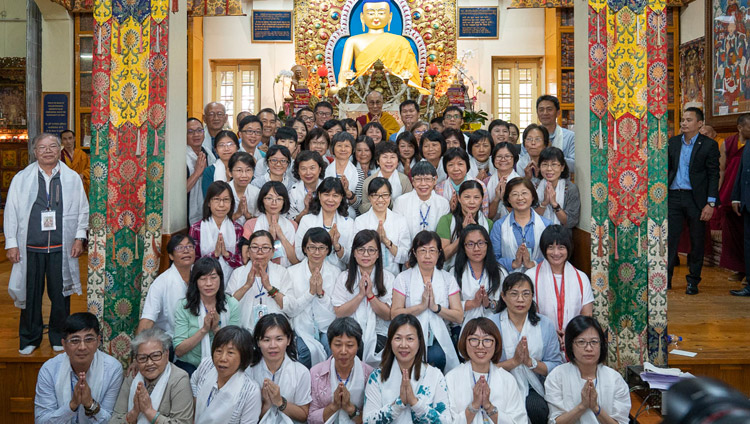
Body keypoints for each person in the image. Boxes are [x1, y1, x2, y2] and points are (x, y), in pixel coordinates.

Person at [5, 132, 89, 354]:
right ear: (35, 151)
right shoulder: (21, 179)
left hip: (61, 248)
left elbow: (83, 210)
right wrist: (11, 243)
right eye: (42, 147)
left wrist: (80, 238)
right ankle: (30, 337)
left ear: (59, 148)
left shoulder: (71, 178)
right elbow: (11, 213)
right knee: (30, 294)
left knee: (60, 295)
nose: (48, 151)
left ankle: (59, 336)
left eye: (53, 146)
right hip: (30, 248)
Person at [490, 273, 563, 424]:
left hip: (534, 385)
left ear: (532, 296)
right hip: (499, 384)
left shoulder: (545, 324)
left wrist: (531, 363)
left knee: (536, 408)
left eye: (526, 294)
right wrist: (514, 362)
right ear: (503, 296)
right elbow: (482, 366)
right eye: (514, 294)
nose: (520, 299)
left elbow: (556, 365)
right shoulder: (491, 325)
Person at [391, 231, 463, 372]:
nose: (427, 256)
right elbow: (394, 314)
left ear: (439, 253)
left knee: (436, 356)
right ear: (414, 252)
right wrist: (421, 307)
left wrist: (436, 308)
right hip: (410, 334)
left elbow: (459, 316)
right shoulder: (403, 278)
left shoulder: (448, 279)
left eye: (432, 251)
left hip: (439, 336)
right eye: (422, 251)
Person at [667, 107, 720, 295]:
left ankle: (693, 281)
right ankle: (666, 279)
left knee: (697, 241)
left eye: (689, 120)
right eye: (683, 119)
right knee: (670, 239)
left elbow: (714, 175)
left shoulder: (708, 145)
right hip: (673, 196)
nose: (683, 123)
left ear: (699, 124)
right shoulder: (672, 143)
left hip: (696, 199)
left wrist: (711, 203)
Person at [34, 312, 123, 423]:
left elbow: (112, 421)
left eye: (89, 339)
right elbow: (41, 421)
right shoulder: (49, 370)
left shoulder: (112, 369)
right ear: (64, 345)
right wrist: (72, 405)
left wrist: (90, 405)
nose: (82, 347)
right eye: (75, 341)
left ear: (98, 342)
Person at [362, 314, 451, 423]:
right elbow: (367, 421)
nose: (403, 345)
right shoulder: (377, 377)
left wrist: (415, 403)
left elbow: (446, 421)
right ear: (390, 341)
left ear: (419, 341)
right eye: (398, 338)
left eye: (410, 338)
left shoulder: (435, 376)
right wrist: (398, 405)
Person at [544, 316, 631, 424]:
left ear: (601, 345)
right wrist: (582, 406)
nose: (589, 348)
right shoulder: (557, 376)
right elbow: (555, 422)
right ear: (571, 345)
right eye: (581, 342)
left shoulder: (615, 379)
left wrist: (595, 408)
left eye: (594, 342)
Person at [445, 318, 529, 424]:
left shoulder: (507, 379)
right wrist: (474, 406)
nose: (480, 346)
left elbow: (520, 421)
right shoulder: (452, 378)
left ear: (496, 344)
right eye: (474, 339)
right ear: (464, 342)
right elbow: (446, 421)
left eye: (487, 340)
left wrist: (489, 407)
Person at [332, 230, 395, 367]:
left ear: (378, 254)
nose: (366, 254)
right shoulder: (344, 277)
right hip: (350, 332)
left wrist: (371, 295)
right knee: (351, 347)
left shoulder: (388, 278)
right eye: (361, 250)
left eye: (371, 250)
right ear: (354, 253)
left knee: (378, 348)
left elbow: (388, 315)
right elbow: (339, 312)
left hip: (379, 332)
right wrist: (360, 295)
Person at [173, 257, 241, 375]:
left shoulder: (232, 304)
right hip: (190, 365)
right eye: (203, 279)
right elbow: (179, 350)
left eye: (213, 277)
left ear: (221, 279)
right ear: (195, 282)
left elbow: (235, 347)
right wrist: (204, 330)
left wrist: (215, 329)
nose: (209, 283)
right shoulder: (184, 306)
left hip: (224, 364)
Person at [111, 328, 194, 423]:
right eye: (142, 358)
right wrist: (134, 413)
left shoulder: (179, 379)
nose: (149, 363)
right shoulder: (132, 376)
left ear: (166, 355)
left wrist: (149, 411)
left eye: (155, 356)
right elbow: (114, 420)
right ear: (136, 360)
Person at [526, 225, 593, 343]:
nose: (556, 253)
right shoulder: (531, 276)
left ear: (569, 248)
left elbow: (586, 315)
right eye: (551, 247)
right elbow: (526, 313)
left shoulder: (581, 278)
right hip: (540, 339)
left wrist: (570, 334)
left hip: (575, 340)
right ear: (543, 248)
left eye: (561, 247)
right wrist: (550, 333)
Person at [285, 228, 340, 368]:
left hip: (327, 325)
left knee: (334, 349)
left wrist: (321, 293)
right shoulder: (291, 272)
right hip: (301, 326)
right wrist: (310, 293)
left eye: (321, 248)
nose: (316, 252)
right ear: (305, 249)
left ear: (328, 250)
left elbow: (336, 309)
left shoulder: (335, 272)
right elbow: (290, 310)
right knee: (306, 352)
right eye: (312, 248)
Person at [190, 326, 262, 424]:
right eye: (219, 351)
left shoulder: (250, 391)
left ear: (244, 356)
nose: (223, 358)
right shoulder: (207, 365)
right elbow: (193, 382)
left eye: (230, 353)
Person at [248, 314, 312, 423]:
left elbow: (304, 415)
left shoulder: (301, 372)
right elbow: (245, 417)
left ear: (288, 340)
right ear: (258, 342)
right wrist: (266, 404)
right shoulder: (249, 370)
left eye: (279, 339)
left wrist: (280, 402)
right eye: (266, 340)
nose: (273, 345)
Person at [309, 317, 373, 424]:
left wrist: (350, 408)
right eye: (338, 345)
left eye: (350, 345)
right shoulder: (316, 373)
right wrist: (334, 406)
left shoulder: (369, 374)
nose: (343, 351)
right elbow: (311, 418)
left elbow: (372, 419)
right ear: (329, 345)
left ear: (358, 346)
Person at [226, 231, 293, 330]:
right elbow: (227, 308)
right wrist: (246, 286)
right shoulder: (238, 273)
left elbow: (290, 308)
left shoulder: (282, 272)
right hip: (244, 331)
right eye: (255, 247)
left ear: (273, 252)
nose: (260, 252)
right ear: (248, 252)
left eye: (265, 248)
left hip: (274, 331)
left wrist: (269, 288)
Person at [137, 235, 196, 337]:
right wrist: (139, 348)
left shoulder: (201, 275)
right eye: (179, 248)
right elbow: (148, 320)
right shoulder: (161, 283)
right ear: (171, 256)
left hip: (197, 334)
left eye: (189, 247)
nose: (186, 251)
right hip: (171, 340)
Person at [490, 177, 550, 274]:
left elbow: (551, 257)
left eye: (524, 193)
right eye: (515, 194)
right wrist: (514, 263)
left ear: (533, 197)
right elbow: (493, 257)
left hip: (540, 277)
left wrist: (533, 263)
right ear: (508, 199)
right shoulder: (499, 226)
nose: (520, 198)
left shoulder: (547, 225)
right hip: (508, 279)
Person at [296, 177, 355, 269]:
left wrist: (337, 246)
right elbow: (299, 254)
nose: (330, 200)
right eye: (326, 194)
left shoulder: (349, 223)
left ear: (341, 198)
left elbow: (351, 258)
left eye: (335, 196)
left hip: (337, 275)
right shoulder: (306, 220)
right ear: (319, 195)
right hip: (310, 271)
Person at [355, 178, 411, 275]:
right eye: (375, 195)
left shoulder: (400, 220)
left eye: (385, 195)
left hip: (393, 275)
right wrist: (375, 240)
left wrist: (386, 242)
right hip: (366, 274)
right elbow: (355, 252)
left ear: (390, 197)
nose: (380, 199)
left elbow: (406, 256)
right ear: (369, 197)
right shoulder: (360, 221)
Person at [454, 225, 506, 330]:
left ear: (488, 245)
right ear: (463, 248)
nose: (476, 249)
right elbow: (448, 306)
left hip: (493, 327)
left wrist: (488, 303)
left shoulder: (500, 272)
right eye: (470, 244)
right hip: (462, 327)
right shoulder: (454, 273)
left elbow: (507, 304)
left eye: (481, 243)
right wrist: (472, 303)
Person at [190, 181, 244, 279]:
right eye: (216, 199)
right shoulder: (197, 228)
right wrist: (214, 254)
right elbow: (194, 262)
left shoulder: (237, 229)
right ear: (209, 203)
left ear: (231, 203)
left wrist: (227, 255)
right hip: (205, 281)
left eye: (226, 200)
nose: (221, 205)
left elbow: (242, 262)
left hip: (232, 280)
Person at [437, 180, 494, 270]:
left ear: (482, 199)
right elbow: (443, 256)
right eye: (467, 197)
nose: (472, 202)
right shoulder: (446, 220)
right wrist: (465, 233)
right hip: (451, 271)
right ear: (459, 198)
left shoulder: (488, 224)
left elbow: (490, 255)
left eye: (476, 197)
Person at [720, 114, 749, 284]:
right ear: (740, 127)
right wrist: (718, 193)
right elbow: (722, 170)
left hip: (747, 195)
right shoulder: (728, 143)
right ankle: (739, 269)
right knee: (734, 237)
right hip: (731, 194)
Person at [242, 181, 298, 267]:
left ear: (284, 202)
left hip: (285, 273)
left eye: (279, 199)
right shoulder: (251, 224)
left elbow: (295, 261)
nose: (274, 203)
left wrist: (281, 236)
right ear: (262, 200)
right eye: (269, 198)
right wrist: (270, 238)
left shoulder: (293, 225)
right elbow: (245, 259)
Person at [393, 161, 451, 241]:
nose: (423, 184)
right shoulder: (400, 202)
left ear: (435, 180)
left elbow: (443, 234)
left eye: (427, 179)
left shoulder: (443, 203)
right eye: (418, 179)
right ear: (412, 181)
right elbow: (398, 233)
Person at [535, 147, 580, 229]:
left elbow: (570, 222)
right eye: (544, 164)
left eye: (554, 164)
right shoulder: (535, 187)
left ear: (562, 167)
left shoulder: (570, 189)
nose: (549, 169)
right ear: (539, 167)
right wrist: (544, 203)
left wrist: (555, 204)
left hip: (562, 236)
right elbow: (530, 217)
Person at [360, 142, 413, 213]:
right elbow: (363, 207)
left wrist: (390, 203)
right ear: (378, 161)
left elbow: (409, 205)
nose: (389, 161)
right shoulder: (369, 181)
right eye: (385, 157)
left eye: (393, 157)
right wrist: (380, 203)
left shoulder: (404, 180)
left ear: (397, 161)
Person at [436, 148, 490, 216]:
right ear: (445, 168)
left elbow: (484, 212)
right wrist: (449, 209)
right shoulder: (439, 188)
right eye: (451, 165)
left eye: (460, 164)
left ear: (467, 166)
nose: (456, 169)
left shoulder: (480, 185)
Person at [730, 115, 750, 296]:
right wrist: (736, 197)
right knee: (748, 245)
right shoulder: (747, 146)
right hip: (747, 203)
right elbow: (741, 173)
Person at [325, 131, 364, 216]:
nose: (343, 149)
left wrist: (348, 193)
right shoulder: (324, 171)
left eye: (347, 146)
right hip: (325, 214)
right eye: (339, 145)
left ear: (352, 149)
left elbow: (359, 205)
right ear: (332, 149)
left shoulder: (359, 173)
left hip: (349, 216)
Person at [188, 117, 216, 225]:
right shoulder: (181, 156)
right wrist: (197, 173)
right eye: (191, 131)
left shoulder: (208, 153)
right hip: (187, 213)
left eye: (199, 130)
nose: (196, 135)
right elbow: (178, 192)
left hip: (207, 211)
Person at [536, 95, 575, 172]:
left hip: (562, 182)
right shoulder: (530, 136)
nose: (545, 113)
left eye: (549, 109)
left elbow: (574, 166)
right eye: (541, 110)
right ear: (537, 113)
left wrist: (552, 154)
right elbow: (523, 162)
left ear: (558, 113)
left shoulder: (570, 136)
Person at [287, 150, 327, 223]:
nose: (308, 173)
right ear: (298, 171)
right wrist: (306, 210)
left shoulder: (327, 187)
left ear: (320, 169)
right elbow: (293, 222)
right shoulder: (293, 191)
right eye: (303, 169)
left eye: (312, 168)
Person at [487, 142, 521, 220]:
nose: (503, 160)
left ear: (514, 158)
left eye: (507, 156)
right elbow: (487, 216)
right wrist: (496, 198)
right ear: (493, 159)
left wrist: (504, 198)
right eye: (499, 156)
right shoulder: (486, 182)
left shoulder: (520, 183)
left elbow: (521, 214)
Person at [201, 130, 240, 196]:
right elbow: (208, 198)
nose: (226, 148)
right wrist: (227, 180)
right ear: (216, 150)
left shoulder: (244, 168)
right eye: (221, 145)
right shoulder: (209, 171)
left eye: (230, 144)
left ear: (237, 147)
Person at [229, 152, 259, 226]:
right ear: (230, 172)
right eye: (239, 170)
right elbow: (216, 222)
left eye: (248, 170)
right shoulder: (222, 191)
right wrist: (237, 214)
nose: (244, 175)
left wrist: (247, 215)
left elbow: (259, 221)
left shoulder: (256, 192)